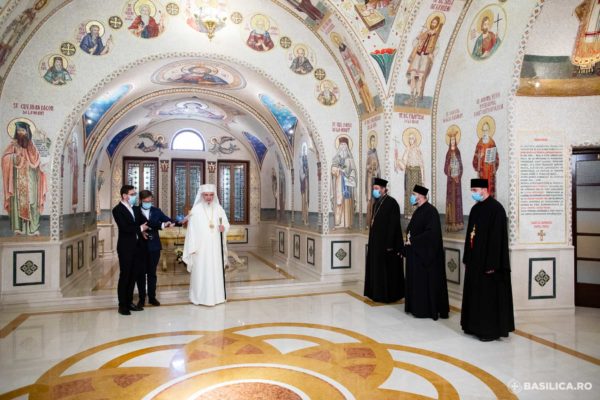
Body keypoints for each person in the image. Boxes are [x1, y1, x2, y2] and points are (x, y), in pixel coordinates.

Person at [461, 178, 514, 341]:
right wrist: (467, 258)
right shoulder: (475, 209)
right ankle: (472, 326)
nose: (473, 193)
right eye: (472, 190)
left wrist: (492, 264)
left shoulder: (496, 209)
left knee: (487, 298)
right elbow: (470, 235)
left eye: (475, 190)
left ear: (485, 190)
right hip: (474, 262)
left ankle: (488, 331)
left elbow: (497, 240)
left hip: (488, 264)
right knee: (474, 296)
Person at [404, 185, 449, 320]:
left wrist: (413, 241)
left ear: (421, 196)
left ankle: (424, 310)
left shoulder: (431, 211)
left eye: (414, 194)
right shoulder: (418, 210)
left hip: (425, 256)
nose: (412, 196)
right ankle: (415, 307)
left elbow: (431, 234)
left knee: (424, 284)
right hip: (415, 254)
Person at [182, 184, 230, 306]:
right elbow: (191, 231)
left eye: (211, 195)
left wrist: (224, 227)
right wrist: (192, 247)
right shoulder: (196, 210)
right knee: (201, 272)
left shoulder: (219, 209)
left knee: (215, 270)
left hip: (215, 248)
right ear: (202, 195)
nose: (209, 197)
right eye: (206, 195)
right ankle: (199, 297)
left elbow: (226, 223)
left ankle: (217, 297)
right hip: (200, 249)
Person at [2, 121, 47, 235]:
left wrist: (43, 140)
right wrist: (14, 157)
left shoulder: (33, 145)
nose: (21, 133)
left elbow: (42, 157)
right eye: (18, 131)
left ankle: (33, 228)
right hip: (17, 179)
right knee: (17, 202)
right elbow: (5, 159)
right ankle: (19, 228)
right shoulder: (13, 145)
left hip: (31, 178)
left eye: (22, 130)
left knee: (32, 201)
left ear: (27, 132)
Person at [364, 178, 404, 303]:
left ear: (383, 189)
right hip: (376, 244)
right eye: (374, 189)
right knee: (377, 269)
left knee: (387, 271)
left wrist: (389, 244)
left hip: (387, 245)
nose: (374, 191)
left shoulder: (392, 203)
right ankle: (376, 293)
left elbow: (393, 226)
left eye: (376, 189)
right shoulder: (376, 204)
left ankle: (388, 295)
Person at [112, 185, 148, 315]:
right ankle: (122, 305)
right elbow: (125, 228)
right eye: (132, 194)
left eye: (134, 194)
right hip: (125, 248)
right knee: (125, 276)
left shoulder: (135, 208)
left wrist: (163, 223)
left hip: (137, 247)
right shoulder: (117, 210)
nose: (134, 196)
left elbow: (145, 221)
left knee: (133, 276)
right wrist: (140, 228)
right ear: (124, 196)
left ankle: (129, 302)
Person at [134, 190, 173, 308]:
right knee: (141, 274)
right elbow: (132, 226)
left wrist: (173, 222)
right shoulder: (135, 210)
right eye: (145, 201)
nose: (148, 203)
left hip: (154, 246)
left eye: (150, 201)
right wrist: (140, 231)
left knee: (152, 273)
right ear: (140, 200)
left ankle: (152, 297)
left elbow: (167, 220)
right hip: (139, 247)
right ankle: (141, 299)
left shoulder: (157, 211)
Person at [406, 15, 442, 102]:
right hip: (418, 56)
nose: (433, 24)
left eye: (435, 23)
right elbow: (414, 43)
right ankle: (411, 96)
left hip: (426, 57)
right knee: (413, 75)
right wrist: (418, 39)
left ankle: (417, 95)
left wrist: (432, 54)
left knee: (420, 78)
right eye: (432, 22)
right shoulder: (424, 33)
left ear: (437, 25)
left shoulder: (436, 36)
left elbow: (437, 48)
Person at [331, 136, 356, 229]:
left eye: (344, 145)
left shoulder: (350, 159)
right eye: (341, 144)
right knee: (339, 202)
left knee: (347, 202)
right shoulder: (336, 158)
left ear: (347, 146)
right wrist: (339, 170)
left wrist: (350, 176)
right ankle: (338, 223)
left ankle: (347, 223)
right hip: (339, 183)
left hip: (348, 183)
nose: (343, 147)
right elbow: (332, 169)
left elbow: (353, 171)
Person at [472, 121, 499, 198]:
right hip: (482, 171)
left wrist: (493, 162)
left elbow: (496, 158)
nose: (485, 132)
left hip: (490, 171)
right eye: (483, 130)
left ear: (489, 131)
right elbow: (475, 158)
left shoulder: (492, 143)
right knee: (482, 191)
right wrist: (479, 157)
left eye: (486, 130)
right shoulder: (479, 143)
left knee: (490, 190)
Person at [444, 130, 464, 231]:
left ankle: (458, 222)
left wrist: (458, 175)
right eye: (451, 140)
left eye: (453, 140)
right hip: (450, 181)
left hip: (456, 181)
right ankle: (451, 222)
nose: (452, 141)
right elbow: (445, 168)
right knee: (450, 200)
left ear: (455, 141)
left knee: (457, 200)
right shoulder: (448, 153)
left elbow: (461, 165)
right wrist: (449, 169)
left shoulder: (458, 152)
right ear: (450, 141)